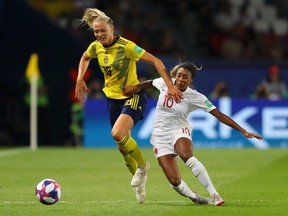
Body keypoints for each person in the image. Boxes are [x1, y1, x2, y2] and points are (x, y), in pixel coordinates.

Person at [74, 8, 183, 203]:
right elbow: (84, 57)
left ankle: (143, 166)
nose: (99, 35)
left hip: (132, 96)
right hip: (113, 99)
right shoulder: (95, 47)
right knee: (123, 149)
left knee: (117, 134)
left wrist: (170, 86)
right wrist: (80, 78)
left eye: (102, 31)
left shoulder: (127, 46)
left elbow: (156, 61)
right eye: (96, 32)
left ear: (112, 28)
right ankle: (140, 183)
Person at [123, 62, 263, 205]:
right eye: (179, 76)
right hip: (160, 136)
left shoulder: (196, 97)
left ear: (191, 80)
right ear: (174, 76)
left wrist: (244, 131)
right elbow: (151, 83)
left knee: (186, 155)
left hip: (179, 130)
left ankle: (214, 194)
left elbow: (219, 115)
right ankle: (195, 197)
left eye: (185, 77)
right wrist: (135, 87)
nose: (181, 79)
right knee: (175, 182)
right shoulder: (166, 83)